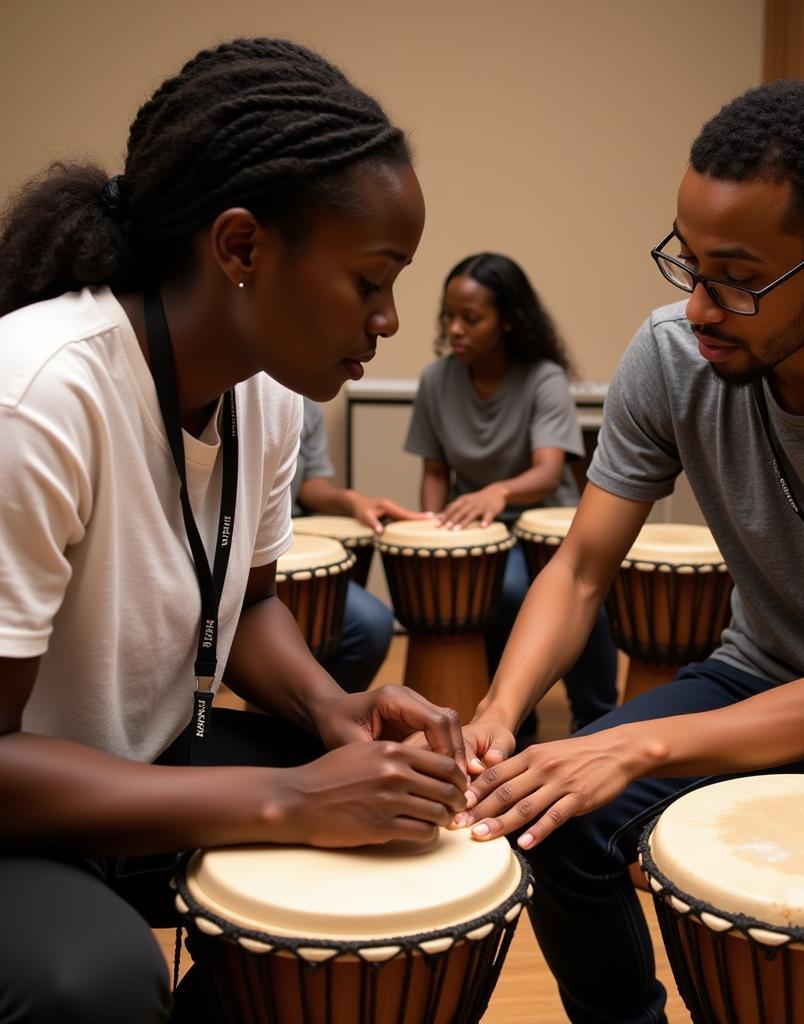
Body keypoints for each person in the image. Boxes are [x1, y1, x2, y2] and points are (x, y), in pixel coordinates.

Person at [453, 80, 804, 1023]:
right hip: (752, 677)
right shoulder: (671, 356)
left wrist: (637, 744)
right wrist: (502, 710)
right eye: (687, 262)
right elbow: (584, 568)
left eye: (737, 277)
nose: (699, 309)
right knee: (550, 823)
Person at [0, 38, 470, 1024]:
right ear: (242, 248)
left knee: (421, 833)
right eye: (371, 280)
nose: (389, 320)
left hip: (150, 755)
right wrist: (291, 802)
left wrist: (332, 709)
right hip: (22, 813)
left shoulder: (269, 400)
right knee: (94, 981)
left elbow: (249, 603)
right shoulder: (38, 396)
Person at [404, 252, 618, 738]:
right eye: (448, 317)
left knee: (540, 591)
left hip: (548, 523)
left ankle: (597, 713)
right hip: (481, 526)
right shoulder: (436, 381)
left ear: (507, 322)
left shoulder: (542, 378)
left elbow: (548, 473)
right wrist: (431, 527)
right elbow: (435, 470)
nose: (455, 329)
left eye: (471, 318)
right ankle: (516, 719)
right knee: (499, 590)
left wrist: (497, 491)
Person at [291, 396, 427, 691]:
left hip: (287, 543)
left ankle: (315, 728)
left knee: (371, 625)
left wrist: (354, 501)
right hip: (221, 551)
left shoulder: (305, 406)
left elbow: (310, 484)